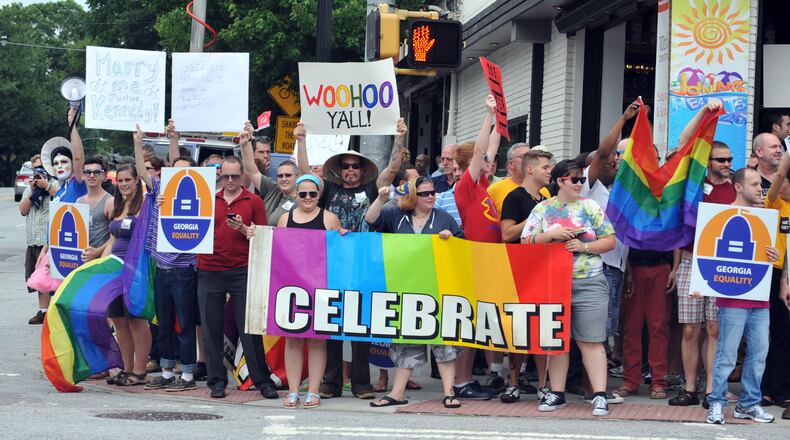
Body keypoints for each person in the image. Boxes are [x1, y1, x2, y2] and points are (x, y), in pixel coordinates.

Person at [295, 117, 406, 400]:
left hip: (364, 264)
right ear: (340, 170)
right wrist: (301, 141)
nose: (351, 170)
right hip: (332, 265)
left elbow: (393, 168)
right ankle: (331, 383)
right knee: (331, 321)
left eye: (355, 166)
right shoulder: (328, 190)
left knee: (361, 323)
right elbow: (305, 173)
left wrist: (400, 136)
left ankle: (361, 383)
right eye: (346, 166)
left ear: (362, 170)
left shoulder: (371, 189)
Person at [521, 159, 616, 416]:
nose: (579, 184)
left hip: (590, 280)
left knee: (592, 341)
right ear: (560, 180)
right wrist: (550, 236)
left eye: (582, 180)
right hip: (553, 281)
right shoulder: (543, 209)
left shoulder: (591, 206)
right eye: (575, 180)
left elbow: (610, 240)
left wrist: (583, 247)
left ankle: (599, 395)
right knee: (557, 342)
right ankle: (557, 393)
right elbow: (524, 241)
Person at [365, 177, 463, 409]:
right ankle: (398, 392)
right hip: (406, 287)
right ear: (412, 197)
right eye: (424, 193)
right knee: (405, 340)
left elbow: (462, 245)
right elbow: (370, 220)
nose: (431, 196)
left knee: (444, 340)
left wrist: (450, 238)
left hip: (438, 288)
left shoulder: (444, 218)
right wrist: (380, 198)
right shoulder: (397, 216)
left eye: (432, 193)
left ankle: (449, 392)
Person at [197, 152, 277, 399]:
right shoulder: (208, 199)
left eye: (234, 176)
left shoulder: (253, 201)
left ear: (242, 175)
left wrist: (243, 229)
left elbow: (262, 235)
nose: (230, 180)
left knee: (249, 329)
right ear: (220, 176)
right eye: (226, 176)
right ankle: (216, 381)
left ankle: (261, 380)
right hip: (209, 268)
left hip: (242, 270)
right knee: (211, 328)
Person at [669, 103, 733, 408]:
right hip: (692, 261)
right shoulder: (692, 184)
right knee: (691, 328)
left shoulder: (737, 189)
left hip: (722, 265)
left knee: (714, 328)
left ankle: (712, 390)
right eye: (722, 159)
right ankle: (690, 388)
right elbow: (683, 142)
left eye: (730, 159)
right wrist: (704, 114)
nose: (727, 164)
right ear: (707, 161)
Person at [705, 167, 779, 424]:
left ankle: (748, 404)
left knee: (759, 353)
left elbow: (773, 255)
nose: (761, 188)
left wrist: (774, 255)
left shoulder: (766, 217)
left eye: (761, 184)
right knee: (727, 354)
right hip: (733, 299)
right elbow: (709, 251)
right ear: (738, 187)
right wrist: (702, 282)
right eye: (755, 183)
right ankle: (716, 403)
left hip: (759, 298)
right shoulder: (722, 214)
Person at [452, 95, 503, 400]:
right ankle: (460, 381)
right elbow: (483, 149)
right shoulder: (466, 186)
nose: (489, 162)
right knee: (467, 326)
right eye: (483, 160)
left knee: (477, 326)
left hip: (488, 263)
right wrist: (487, 117)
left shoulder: (484, 184)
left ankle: (467, 378)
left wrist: (499, 117)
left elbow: (491, 147)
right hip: (473, 261)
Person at [278, 174, 343, 409]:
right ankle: (293, 391)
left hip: (320, 287)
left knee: (317, 342)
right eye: (303, 194)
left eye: (312, 194)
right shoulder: (285, 219)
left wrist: (344, 236)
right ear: (296, 194)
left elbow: (339, 254)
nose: (307, 198)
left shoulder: (329, 218)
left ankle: (313, 391)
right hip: (291, 287)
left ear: (319, 195)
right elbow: (279, 254)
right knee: (292, 339)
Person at [581, 101, 639, 353]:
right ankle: (591, 387)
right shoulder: (588, 187)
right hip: (596, 267)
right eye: (611, 162)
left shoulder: (612, 191)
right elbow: (603, 152)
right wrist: (624, 119)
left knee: (607, 328)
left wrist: (628, 271)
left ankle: (596, 384)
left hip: (615, 267)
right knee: (594, 331)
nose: (616, 165)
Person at [498, 150, 554, 402]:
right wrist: (537, 213)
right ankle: (513, 383)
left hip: (545, 269)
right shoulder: (514, 197)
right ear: (530, 169)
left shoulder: (546, 196)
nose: (549, 171)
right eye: (545, 166)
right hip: (518, 272)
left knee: (543, 327)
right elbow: (507, 234)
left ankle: (543, 385)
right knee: (518, 328)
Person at [102, 164, 152, 387]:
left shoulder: (145, 204)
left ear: (136, 181)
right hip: (113, 270)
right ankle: (126, 367)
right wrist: (101, 264)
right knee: (119, 321)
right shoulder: (117, 205)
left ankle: (140, 371)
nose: (123, 185)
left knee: (136, 321)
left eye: (127, 180)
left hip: (134, 270)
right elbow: (112, 241)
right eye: (120, 181)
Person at [761, 149, 790, 414]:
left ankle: (778, 390)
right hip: (773, 275)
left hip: (789, 278)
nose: (782, 186)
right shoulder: (775, 204)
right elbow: (778, 174)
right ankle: (769, 389)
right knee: (772, 334)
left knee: (784, 335)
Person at [20, 154, 59, 324]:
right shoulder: (31, 189)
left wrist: (47, 186)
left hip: (50, 241)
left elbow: (63, 200)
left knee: (54, 278)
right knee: (38, 278)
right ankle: (43, 312)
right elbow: (23, 210)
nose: (38, 173)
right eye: (35, 169)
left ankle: (55, 312)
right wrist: (33, 191)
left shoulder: (56, 184)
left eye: (41, 168)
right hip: (33, 240)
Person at [240, 122, 297, 225]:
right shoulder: (273, 188)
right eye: (280, 176)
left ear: (298, 177)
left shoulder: (304, 198)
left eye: (288, 175)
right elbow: (251, 170)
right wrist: (246, 143)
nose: (283, 179)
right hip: (261, 239)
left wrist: (301, 141)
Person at [52, 108, 87, 203]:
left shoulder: (78, 183)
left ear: (73, 164)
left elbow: (78, 157)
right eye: (55, 163)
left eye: (64, 161)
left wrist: (72, 123)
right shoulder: (60, 190)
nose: (59, 166)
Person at [487, 142, 531, 214]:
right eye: (522, 157)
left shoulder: (542, 190)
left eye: (531, 157)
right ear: (510, 164)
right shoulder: (494, 190)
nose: (528, 160)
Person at [434, 160, 463, 228]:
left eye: (461, 169)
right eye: (454, 170)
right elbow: (432, 225)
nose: (457, 174)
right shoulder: (442, 198)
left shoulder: (480, 196)